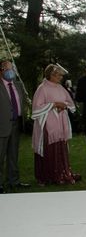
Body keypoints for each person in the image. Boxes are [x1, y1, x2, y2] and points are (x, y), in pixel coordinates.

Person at [31, 64, 80, 185]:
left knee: (60, 148)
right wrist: (54, 105)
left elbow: (70, 103)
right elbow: (36, 108)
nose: (61, 77)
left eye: (61, 75)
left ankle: (62, 172)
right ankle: (48, 175)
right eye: (58, 75)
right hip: (47, 126)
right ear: (51, 75)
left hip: (60, 123)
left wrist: (64, 105)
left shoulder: (60, 88)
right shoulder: (42, 88)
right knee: (50, 149)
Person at [0, 61, 30, 193]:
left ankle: (14, 181)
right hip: (2, 125)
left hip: (16, 124)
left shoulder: (18, 85)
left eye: (12, 68)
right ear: (1, 70)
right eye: (7, 68)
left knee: (13, 155)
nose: (10, 71)